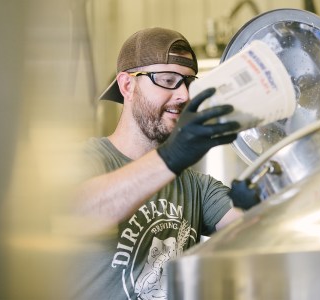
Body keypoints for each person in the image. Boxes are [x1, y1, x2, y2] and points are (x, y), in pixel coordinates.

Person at [73, 27, 259, 300]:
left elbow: (250, 229)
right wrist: (170, 158)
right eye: (168, 80)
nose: (183, 95)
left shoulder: (195, 185)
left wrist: (263, 203)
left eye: (188, 82)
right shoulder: (87, 159)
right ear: (127, 85)